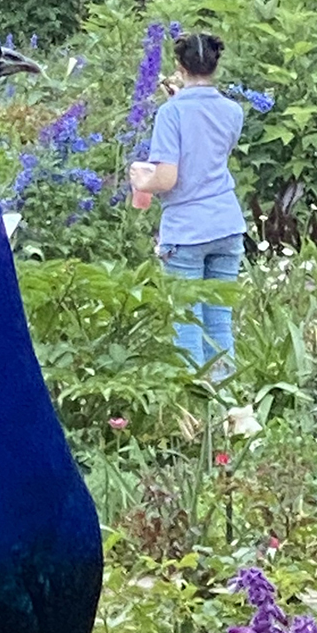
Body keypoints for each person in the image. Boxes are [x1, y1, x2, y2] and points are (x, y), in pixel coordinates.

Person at [130, 32, 245, 384]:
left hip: (186, 231)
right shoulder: (233, 110)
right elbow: (208, 146)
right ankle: (226, 401)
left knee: (186, 323)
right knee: (218, 320)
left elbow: (167, 178)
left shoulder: (170, 114)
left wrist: (139, 178)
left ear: (179, 67)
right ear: (215, 65)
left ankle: (193, 406)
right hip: (227, 225)